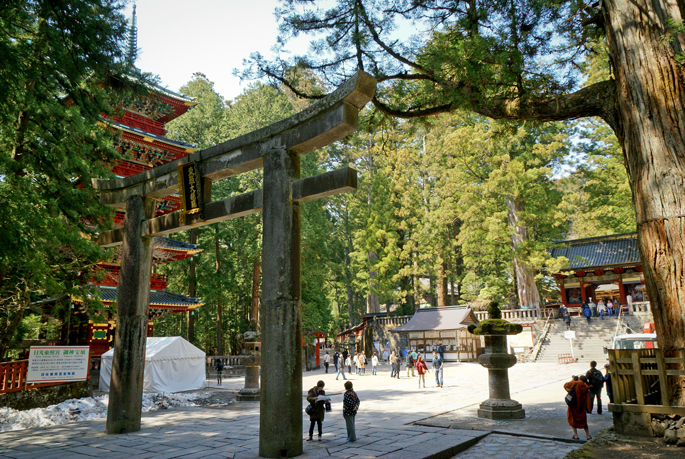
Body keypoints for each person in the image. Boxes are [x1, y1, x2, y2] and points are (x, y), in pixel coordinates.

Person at [564, 375, 592, 440]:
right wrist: (588, 408)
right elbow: (587, 399)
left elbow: (565, 386)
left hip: (573, 406)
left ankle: (576, 435)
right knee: (583, 421)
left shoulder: (575, 383)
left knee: (572, 420)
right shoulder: (585, 387)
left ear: (579, 378)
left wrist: (573, 380)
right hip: (581, 407)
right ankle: (588, 435)